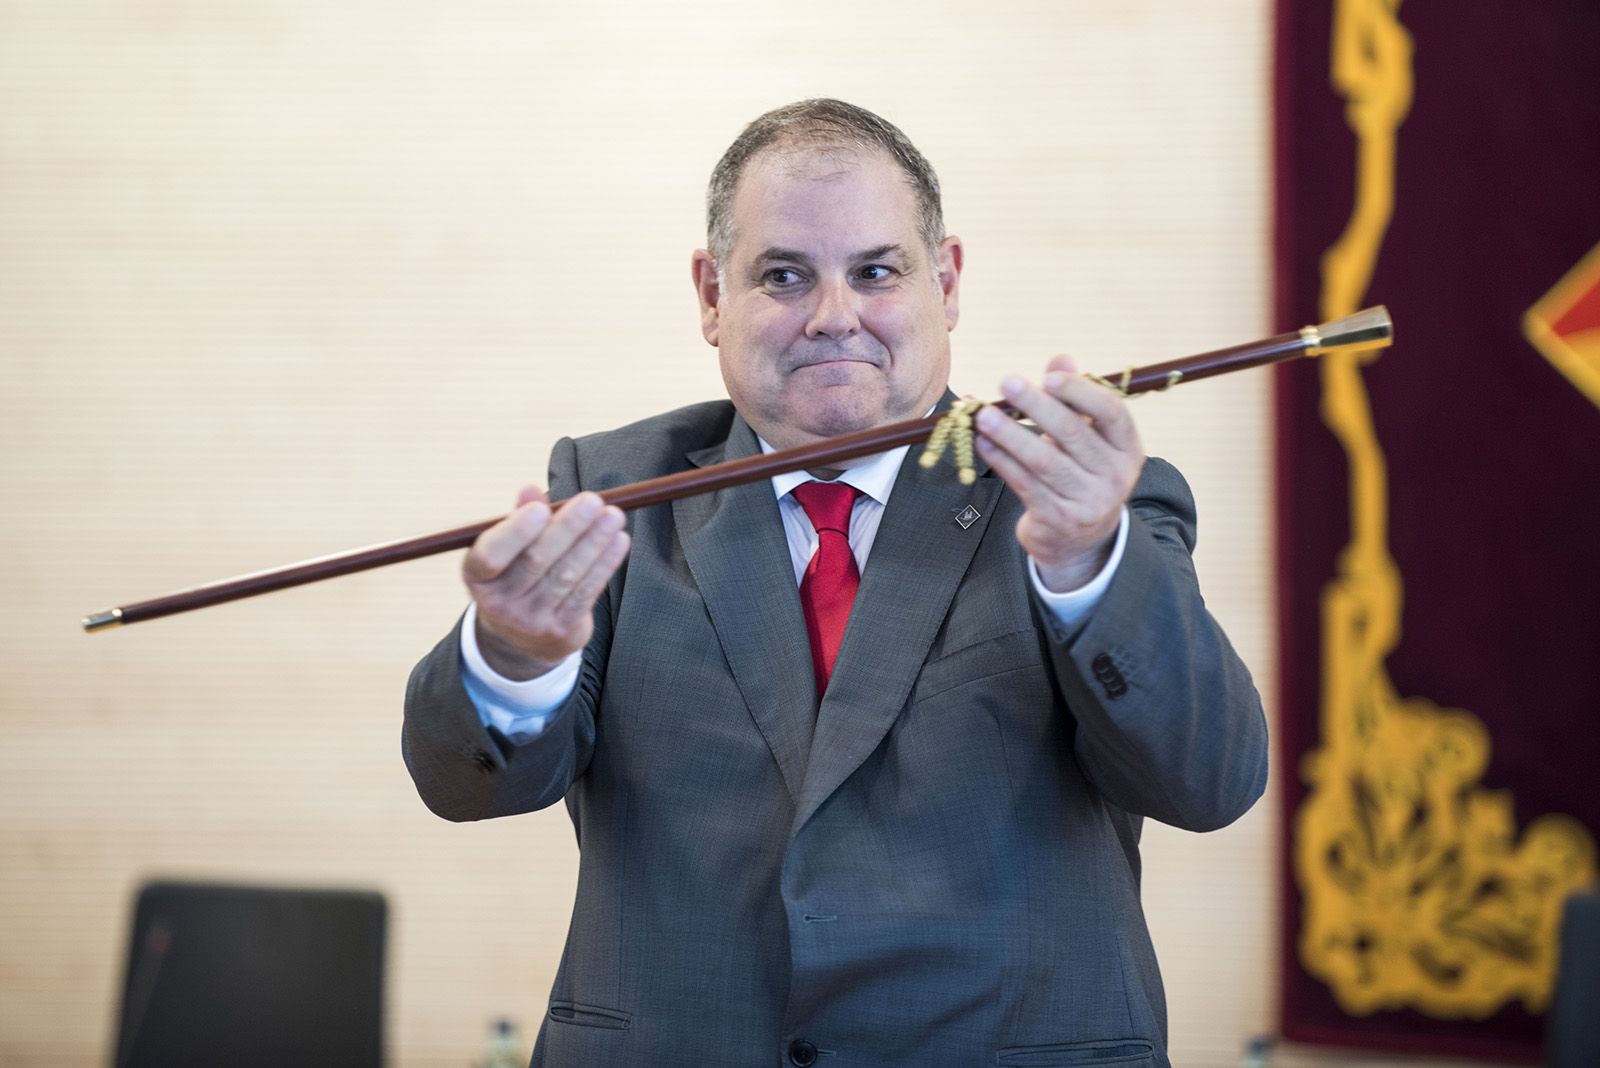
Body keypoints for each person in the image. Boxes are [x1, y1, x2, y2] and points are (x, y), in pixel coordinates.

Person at [403, 98, 1267, 1068]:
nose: (834, 318)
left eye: (876, 272)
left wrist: (1086, 564)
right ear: (709, 294)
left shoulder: (1082, 498)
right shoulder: (614, 492)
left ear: (945, 282)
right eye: (782, 276)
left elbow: (1212, 781)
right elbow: (459, 783)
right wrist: (512, 657)